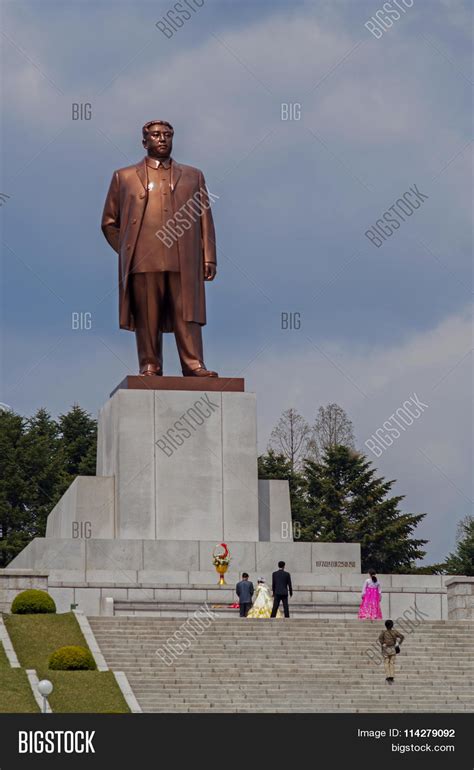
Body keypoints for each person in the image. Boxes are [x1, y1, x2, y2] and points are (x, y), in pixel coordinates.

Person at [101, 120, 218, 377]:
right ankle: (150, 364)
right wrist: (128, 251)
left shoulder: (193, 175)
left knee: (187, 313)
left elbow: (205, 219)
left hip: (183, 257)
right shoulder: (124, 177)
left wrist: (209, 257)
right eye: (155, 135)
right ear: (145, 142)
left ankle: (193, 363)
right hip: (144, 259)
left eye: (167, 135)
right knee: (147, 315)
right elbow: (109, 222)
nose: (162, 139)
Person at [378, 619, 404, 684]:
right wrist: (399, 643)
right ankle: (392, 676)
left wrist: (383, 643)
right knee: (392, 663)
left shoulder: (383, 632)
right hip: (393, 649)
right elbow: (402, 637)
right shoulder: (394, 632)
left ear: (385, 625)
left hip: (386, 649)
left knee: (386, 662)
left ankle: (388, 675)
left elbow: (380, 638)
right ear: (392, 625)